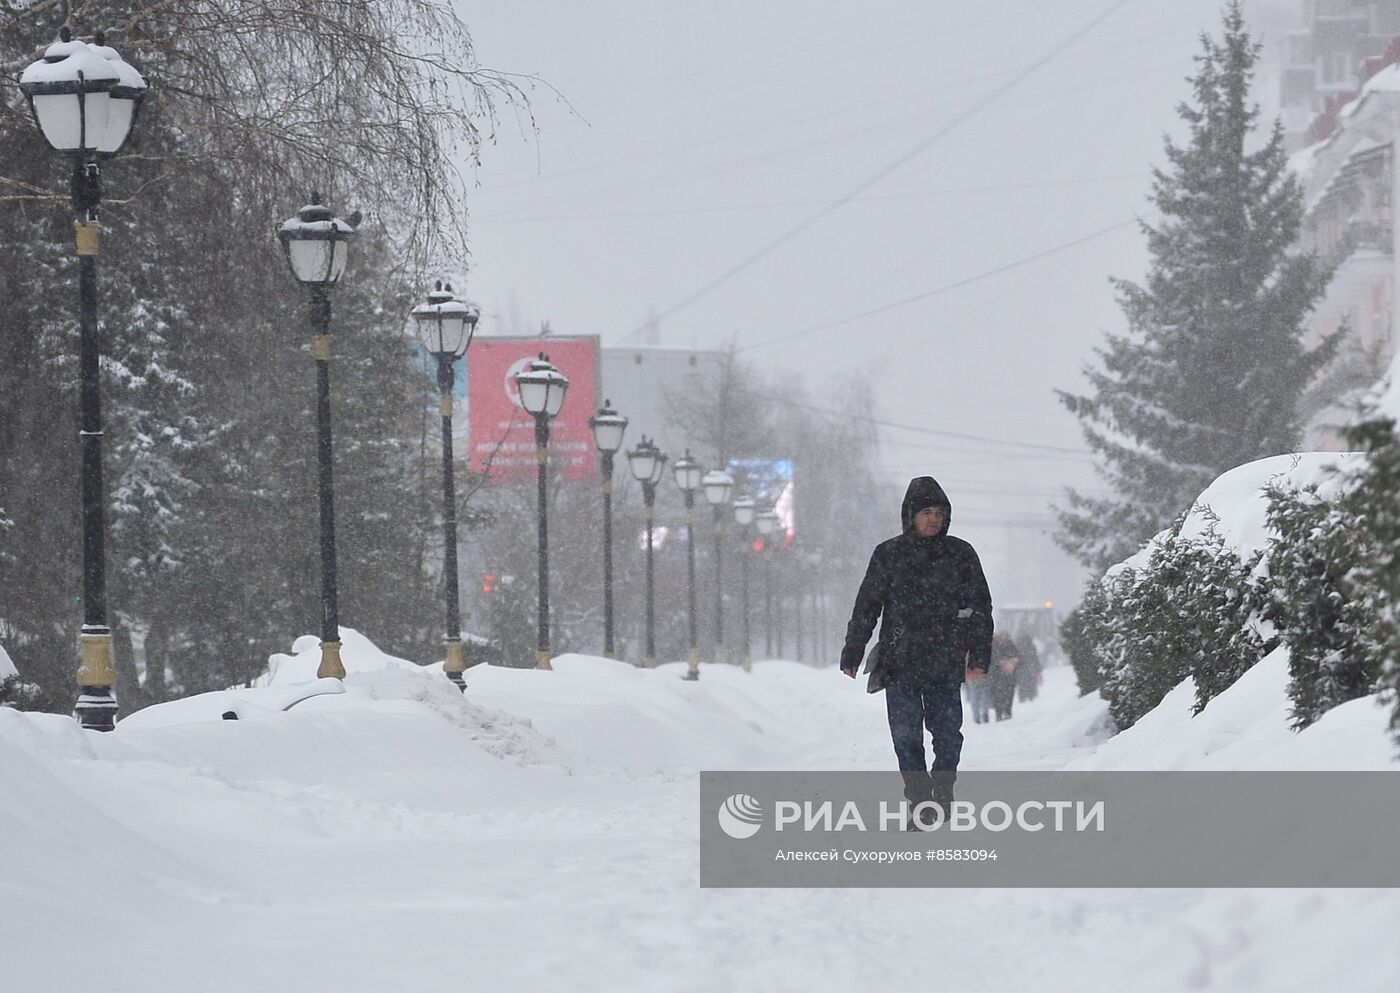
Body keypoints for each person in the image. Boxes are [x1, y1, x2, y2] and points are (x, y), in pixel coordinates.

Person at [839, 476, 993, 824]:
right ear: (910, 515)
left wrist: (979, 656)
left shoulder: (961, 554)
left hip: (944, 660)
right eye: (926, 512)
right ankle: (920, 801)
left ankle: (944, 788)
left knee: (948, 734)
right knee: (906, 738)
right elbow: (867, 606)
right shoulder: (889, 554)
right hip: (899, 662)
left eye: (939, 512)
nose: (933, 519)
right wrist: (853, 651)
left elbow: (981, 609)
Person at [989, 632, 1019, 721]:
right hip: (997, 677)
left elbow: (1018, 657)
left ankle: (1007, 712)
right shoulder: (994, 647)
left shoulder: (1011, 646)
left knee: (1009, 695)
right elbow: (991, 661)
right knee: (998, 696)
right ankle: (999, 713)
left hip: (1009, 677)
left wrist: (1013, 662)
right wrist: (1000, 663)